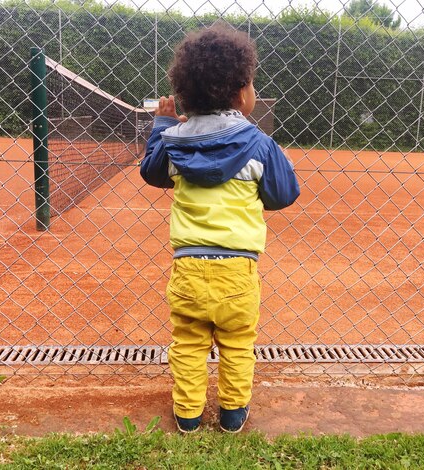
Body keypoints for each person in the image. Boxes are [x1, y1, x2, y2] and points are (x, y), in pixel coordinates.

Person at [140, 24, 300, 434]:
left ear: (185, 93)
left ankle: (189, 415)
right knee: (236, 344)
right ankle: (232, 414)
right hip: (238, 271)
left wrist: (161, 124)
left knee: (189, 344)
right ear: (241, 92)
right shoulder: (260, 144)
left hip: (189, 269)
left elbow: (152, 173)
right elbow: (284, 193)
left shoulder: (173, 141)